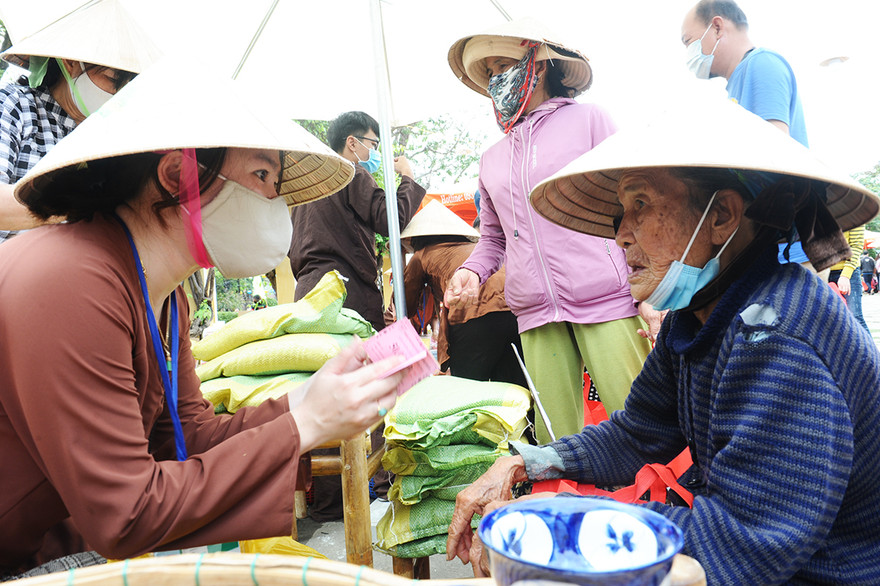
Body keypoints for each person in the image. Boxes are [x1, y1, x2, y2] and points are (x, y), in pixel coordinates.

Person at [0, 64, 411, 578]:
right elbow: (125, 513)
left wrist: (304, 400)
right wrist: (305, 425)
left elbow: (187, 437)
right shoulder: (71, 280)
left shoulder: (167, 298)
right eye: (262, 176)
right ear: (179, 176)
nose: (276, 201)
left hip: (59, 547)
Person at [447, 99, 880, 584]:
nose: (620, 235)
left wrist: (559, 514)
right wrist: (526, 463)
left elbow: (742, 542)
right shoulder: (695, 318)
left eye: (640, 205)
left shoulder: (776, 336)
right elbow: (637, 433)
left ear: (721, 216)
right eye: (621, 211)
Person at [444, 18, 652, 444]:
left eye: (504, 67)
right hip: (535, 312)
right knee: (556, 440)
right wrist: (471, 272)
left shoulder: (590, 120)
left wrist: (649, 287)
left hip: (607, 299)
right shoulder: (492, 158)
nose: (496, 80)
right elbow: (494, 239)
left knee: (640, 430)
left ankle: (658, 490)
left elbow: (635, 208)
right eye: (491, 73)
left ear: (536, 66)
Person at [0, 0, 160, 243]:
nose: (118, 94)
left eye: (128, 86)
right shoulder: (14, 106)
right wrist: (76, 205)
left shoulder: (113, 139)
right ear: (71, 63)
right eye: (113, 80)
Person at [681, 0, 813, 269]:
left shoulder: (760, 64)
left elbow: (773, 154)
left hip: (785, 248)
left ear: (717, 27)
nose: (688, 53)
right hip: (767, 243)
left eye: (689, 42)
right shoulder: (737, 83)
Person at [288, 111, 426, 333]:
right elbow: (391, 220)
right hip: (345, 295)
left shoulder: (308, 186)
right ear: (352, 143)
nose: (376, 153)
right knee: (360, 355)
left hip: (307, 295)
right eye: (374, 144)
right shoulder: (349, 172)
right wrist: (407, 176)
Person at [402, 200, 526, 388]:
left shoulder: (422, 254)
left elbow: (406, 303)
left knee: (466, 389)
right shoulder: (477, 249)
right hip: (515, 311)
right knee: (512, 388)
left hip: (473, 316)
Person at [828, 225, 869, 331]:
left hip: (847, 271)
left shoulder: (853, 216)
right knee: (829, 319)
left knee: (855, 317)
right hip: (824, 271)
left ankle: (865, 343)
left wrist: (845, 275)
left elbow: (856, 246)